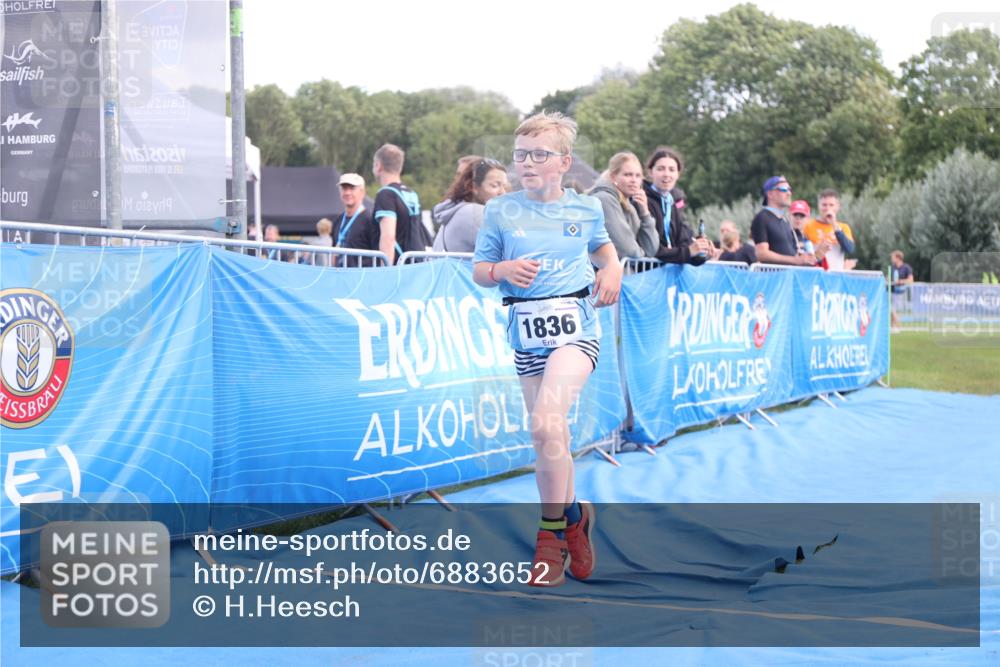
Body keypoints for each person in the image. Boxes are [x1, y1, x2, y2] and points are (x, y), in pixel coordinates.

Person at [472, 111, 622, 587]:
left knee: (546, 421)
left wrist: (613, 268)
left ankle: (550, 536)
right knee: (547, 437)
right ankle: (576, 516)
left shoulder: (586, 208)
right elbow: (480, 269)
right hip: (526, 335)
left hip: (576, 331)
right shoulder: (499, 211)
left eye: (539, 155)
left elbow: (603, 250)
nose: (527, 164)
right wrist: (502, 271)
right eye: (521, 155)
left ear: (564, 162)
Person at [642, 147, 714, 264]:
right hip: (645, 274)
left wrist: (701, 252)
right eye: (660, 169)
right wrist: (688, 251)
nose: (666, 174)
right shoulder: (642, 200)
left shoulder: (674, 202)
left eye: (672, 169)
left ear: (678, 174)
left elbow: (683, 245)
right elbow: (654, 250)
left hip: (668, 276)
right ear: (650, 172)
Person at [587, 152, 659, 259]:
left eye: (638, 176)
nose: (634, 180)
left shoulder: (629, 205)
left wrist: (645, 213)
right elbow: (628, 250)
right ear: (613, 177)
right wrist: (641, 256)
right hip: (599, 273)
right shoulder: (605, 200)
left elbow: (651, 249)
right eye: (628, 175)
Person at [431, 157, 509, 253]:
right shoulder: (475, 213)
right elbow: (511, 251)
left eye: (504, 187)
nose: (503, 193)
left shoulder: (459, 209)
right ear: (475, 187)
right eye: (495, 185)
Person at [371, 143, 429, 265]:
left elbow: (388, 237)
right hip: (416, 264)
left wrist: (385, 272)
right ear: (400, 167)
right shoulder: (412, 193)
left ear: (378, 166)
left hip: (399, 267)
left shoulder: (386, 194)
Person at [750, 176, 816, 266]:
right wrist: (794, 260)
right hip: (773, 277)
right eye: (783, 189)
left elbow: (791, 252)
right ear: (770, 194)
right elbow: (761, 254)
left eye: (789, 189)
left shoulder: (784, 220)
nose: (789, 193)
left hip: (787, 276)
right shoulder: (762, 218)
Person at [804, 189, 856, 271]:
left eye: (831, 205)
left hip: (836, 275)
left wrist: (834, 225)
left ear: (837, 207)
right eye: (824, 205)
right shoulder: (808, 226)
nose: (827, 208)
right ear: (819, 206)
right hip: (815, 274)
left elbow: (849, 249)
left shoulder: (844, 227)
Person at [335, 172, 375, 267]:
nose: (347, 192)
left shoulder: (369, 220)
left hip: (362, 278)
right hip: (340, 278)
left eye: (352, 188)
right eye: (344, 188)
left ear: (362, 192)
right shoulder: (338, 221)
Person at [890, 250, 914, 331]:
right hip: (892, 291)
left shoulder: (906, 267)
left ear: (898, 258)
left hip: (901, 292)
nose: (892, 259)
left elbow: (911, 280)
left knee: (892, 309)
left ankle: (898, 326)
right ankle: (893, 327)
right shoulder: (893, 267)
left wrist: (901, 281)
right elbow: (890, 278)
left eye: (893, 257)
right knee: (892, 310)